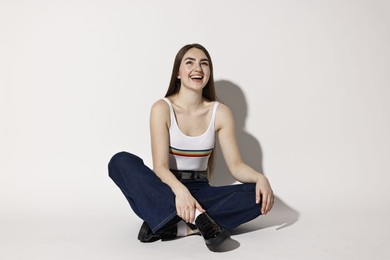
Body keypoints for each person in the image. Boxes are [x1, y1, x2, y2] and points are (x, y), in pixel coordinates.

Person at [108, 43, 274, 252]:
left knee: (258, 196)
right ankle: (200, 220)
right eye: (190, 62)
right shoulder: (162, 108)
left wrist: (261, 178)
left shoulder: (220, 112)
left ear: (209, 72)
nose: (198, 68)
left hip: (201, 191)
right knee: (120, 161)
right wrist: (180, 192)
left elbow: (236, 166)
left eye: (204, 64)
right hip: (165, 188)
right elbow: (160, 167)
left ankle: (171, 226)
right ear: (178, 72)